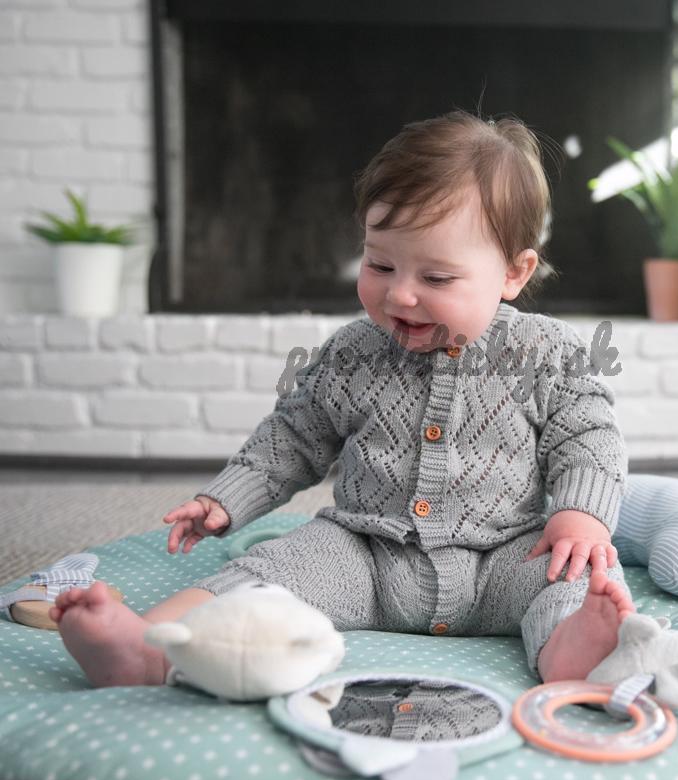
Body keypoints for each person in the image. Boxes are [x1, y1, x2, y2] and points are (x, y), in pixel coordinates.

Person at [50, 110, 634, 690]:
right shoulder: (352, 353)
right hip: (367, 555)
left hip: (501, 558)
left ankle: (571, 649)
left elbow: (590, 439)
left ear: (513, 273)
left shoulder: (547, 352)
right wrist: (226, 498)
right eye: (380, 264)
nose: (400, 294)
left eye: (436, 279)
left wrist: (580, 517)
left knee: (576, 573)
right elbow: (292, 436)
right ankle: (151, 646)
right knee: (273, 567)